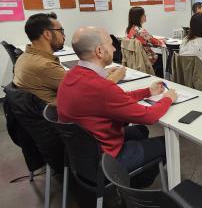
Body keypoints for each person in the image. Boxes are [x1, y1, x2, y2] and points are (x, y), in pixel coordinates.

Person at [57, 26, 177, 184]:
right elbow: (149, 116)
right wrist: (168, 98)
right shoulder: (100, 87)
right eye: (110, 43)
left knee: (140, 131)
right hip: (105, 160)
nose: (114, 47)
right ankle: (133, 188)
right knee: (166, 144)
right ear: (99, 51)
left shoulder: (71, 75)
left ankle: (134, 178)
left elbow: (116, 98)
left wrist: (147, 91)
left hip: (84, 155)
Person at [14, 12, 125, 104]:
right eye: (60, 31)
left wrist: (102, 72)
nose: (64, 35)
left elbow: (77, 81)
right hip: (65, 121)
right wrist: (116, 76)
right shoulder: (44, 66)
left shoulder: (25, 57)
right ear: (47, 34)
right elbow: (92, 91)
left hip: (46, 118)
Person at [126, 6, 166, 77]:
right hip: (146, 57)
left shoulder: (130, 29)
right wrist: (162, 41)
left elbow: (149, 40)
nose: (145, 16)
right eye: (144, 15)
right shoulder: (140, 31)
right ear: (139, 17)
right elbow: (155, 42)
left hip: (136, 57)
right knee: (163, 58)